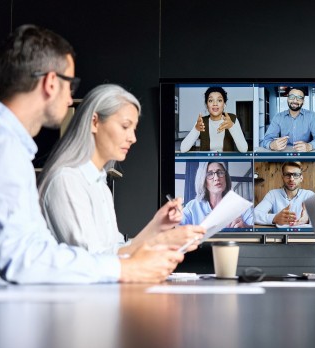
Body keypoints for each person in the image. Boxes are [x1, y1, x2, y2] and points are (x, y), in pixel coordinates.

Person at [0, 24, 193, 284]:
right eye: (71, 85)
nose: (70, 100)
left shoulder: (18, 149)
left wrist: (155, 234)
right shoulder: (10, 149)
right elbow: (25, 258)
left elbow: (43, 251)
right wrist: (129, 267)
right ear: (51, 82)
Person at [37, 84, 206, 255]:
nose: (133, 138)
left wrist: (158, 227)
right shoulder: (67, 180)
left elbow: (117, 250)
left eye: (134, 129)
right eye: (125, 126)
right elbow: (92, 261)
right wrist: (162, 240)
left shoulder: (100, 185)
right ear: (94, 122)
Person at [254, 162, 315, 227]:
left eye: (295, 175)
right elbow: (254, 215)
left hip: (303, 239)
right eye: (288, 175)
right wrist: (274, 218)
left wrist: (308, 218)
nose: (291, 179)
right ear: (282, 177)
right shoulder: (273, 194)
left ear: (301, 178)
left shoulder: (309, 195)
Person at [182, 161, 253, 227]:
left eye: (220, 173)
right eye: (209, 174)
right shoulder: (192, 207)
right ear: (203, 181)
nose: (216, 178)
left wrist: (245, 227)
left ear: (226, 178)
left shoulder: (241, 205)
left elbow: (256, 229)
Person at [180, 87, 248, 153]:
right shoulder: (201, 122)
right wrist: (196, 129)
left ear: (224, 104)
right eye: (210, 100)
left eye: (219, 100)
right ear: (207, 105)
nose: (215, 104)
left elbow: (244, 149)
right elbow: (183, 149)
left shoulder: (232, 119)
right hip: (206, 163)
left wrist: (231, 127)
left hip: (227, 163)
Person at [261, 87, 315, 152]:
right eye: (292, 97)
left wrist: (309, 146)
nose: (295, 100)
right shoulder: (278, 117)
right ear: (287, 98)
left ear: (303, 101)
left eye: (299, 98)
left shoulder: (312, 116)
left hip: (304, 154)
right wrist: (271, 145)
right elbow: (266, 140)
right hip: (285, 154)